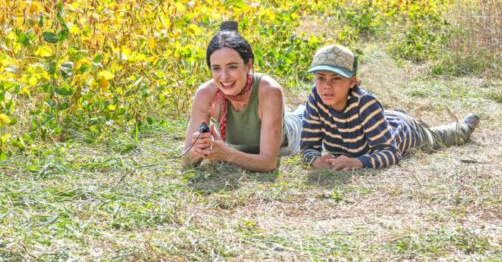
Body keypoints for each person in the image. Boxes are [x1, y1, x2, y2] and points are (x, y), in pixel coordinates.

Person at [301, 44, 480, 170]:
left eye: (336, 78)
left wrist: (357, 162)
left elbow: (391, 153)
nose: (326, 85)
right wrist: (315, 160)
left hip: (407, 131)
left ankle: (464, 127)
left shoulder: (365, 103)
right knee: (382, 120)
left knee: (437, 137)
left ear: (352, 82)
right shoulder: (316, 97)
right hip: (384, 119)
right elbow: (308, 146)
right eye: (321, 77)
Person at [182, 21, 303, 172]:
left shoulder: (269, 90)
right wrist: (197, 150)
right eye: (216, 68)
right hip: (253, 136)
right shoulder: (206, 94)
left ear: (249, 65)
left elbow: (268, 163)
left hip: (294, 132)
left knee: (304, 115)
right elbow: (186, 159)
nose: (224, 77)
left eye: (232, 67)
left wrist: (226, 154)